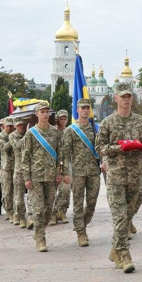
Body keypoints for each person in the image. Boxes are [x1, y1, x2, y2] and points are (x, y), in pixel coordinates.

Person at [95, 82, 142, 274]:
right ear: (116, 99)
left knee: (129, 213)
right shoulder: (108, 123)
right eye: (123, 96)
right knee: (120, 216)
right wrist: (121, 147)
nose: (126, 100)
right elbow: (100, 147)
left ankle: (115, 248)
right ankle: (124, 254)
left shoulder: (141, 122)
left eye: (129, 96)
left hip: (136, 176)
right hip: (116, 176)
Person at [21, 101, 66, 252]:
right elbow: (25, 157)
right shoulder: (31, 133)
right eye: (42, 112)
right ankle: (40, 237)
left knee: (48, 210)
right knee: (38, 209)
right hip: (36, 177)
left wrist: (59, 172)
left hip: (52, 177)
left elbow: (60, 155)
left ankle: (38, 231)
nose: (45, 114)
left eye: (47, 112)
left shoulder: (55, 132)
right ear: (37, 114)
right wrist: (26, 177)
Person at [62, 99, 101, 247]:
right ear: (77, 110)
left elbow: (100, 148)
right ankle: (81, 232)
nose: (85, 110)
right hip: (77, 172)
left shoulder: (95, 129)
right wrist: (65, 172)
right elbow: (65, 154)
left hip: (93, 171)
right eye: (82, 108)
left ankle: (82, 224)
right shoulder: (70, 131)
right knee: (78, 203)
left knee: (91, 202)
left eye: (87, 108)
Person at [50, 109, 71, 225]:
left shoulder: (69, 132)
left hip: (66, 164)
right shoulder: (53, 131)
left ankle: (62, 211)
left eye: (65, 119)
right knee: (53, 191)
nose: (63, 121)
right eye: (61, 119)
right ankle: (52, 214)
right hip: (53, 164)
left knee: (66, 190)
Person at [10, 117, 31, 229]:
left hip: (30, 170)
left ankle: (31, 217)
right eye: (18, 125)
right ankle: (21, 217)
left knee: (32, 197)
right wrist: (27, 134)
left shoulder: (29, 133)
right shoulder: (12, 136)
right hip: (19, 170)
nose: (20, 127)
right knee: (19, 197)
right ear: (14, 126)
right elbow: (17, 145)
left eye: (22, 125)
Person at [0, 117, 16, 223]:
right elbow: (4, 148)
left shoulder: (16, 133)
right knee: (7, 192)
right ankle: (9, 211)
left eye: (11, 126)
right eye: (7, 126)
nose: (9, 128)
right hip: (6, 168)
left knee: (17, 191)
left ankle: (16, 211)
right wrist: (12, 140)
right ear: (4, 126)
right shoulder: (0, 136)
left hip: (17, 167)